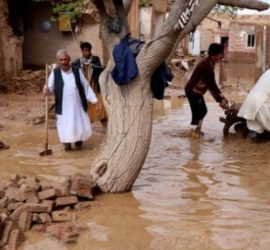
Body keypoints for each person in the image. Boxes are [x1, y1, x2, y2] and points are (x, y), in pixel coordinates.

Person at [43, 49, 100, 151]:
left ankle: (79, 143)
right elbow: (49, 88)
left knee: (79, 125)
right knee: (65, 127)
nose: (63, 62)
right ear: (58, 61)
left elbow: (86, 86)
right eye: (61, 60)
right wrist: (46, 90)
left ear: (69, 60)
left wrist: (94, 100)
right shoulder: (55, 73)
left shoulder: (77, 71)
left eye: (65, 59)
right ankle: (67, 145)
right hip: (63, 107)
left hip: (77, 105)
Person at [185, 43, 228, 137]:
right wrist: (221, 99)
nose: (222, 56)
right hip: (192, 91)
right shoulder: (207, 65)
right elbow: (212, 85)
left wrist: (220, 99)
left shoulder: (210, 62)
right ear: (216, 54)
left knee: (203, 111)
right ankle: (193, 135)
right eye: (221, 54)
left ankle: (196, 131)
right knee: (198, 113)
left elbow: (211, 86)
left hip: (197, 91)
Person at [72, 42, 107, 126]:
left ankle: (104, 122)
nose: (87, 52)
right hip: (83, 86)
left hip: (93, 84)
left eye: (88, 51)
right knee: (84, 105)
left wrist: (97, 67)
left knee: (99, 103)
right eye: (85, 51)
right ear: (82, 51)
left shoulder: (95, 59)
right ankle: (86, 124)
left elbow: (99, 69)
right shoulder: (77, 62)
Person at [237, 69, 270, 138]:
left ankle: (250, 132)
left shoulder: (268, 72)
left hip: (250, 102)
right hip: (262, 104)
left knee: (255, 126)